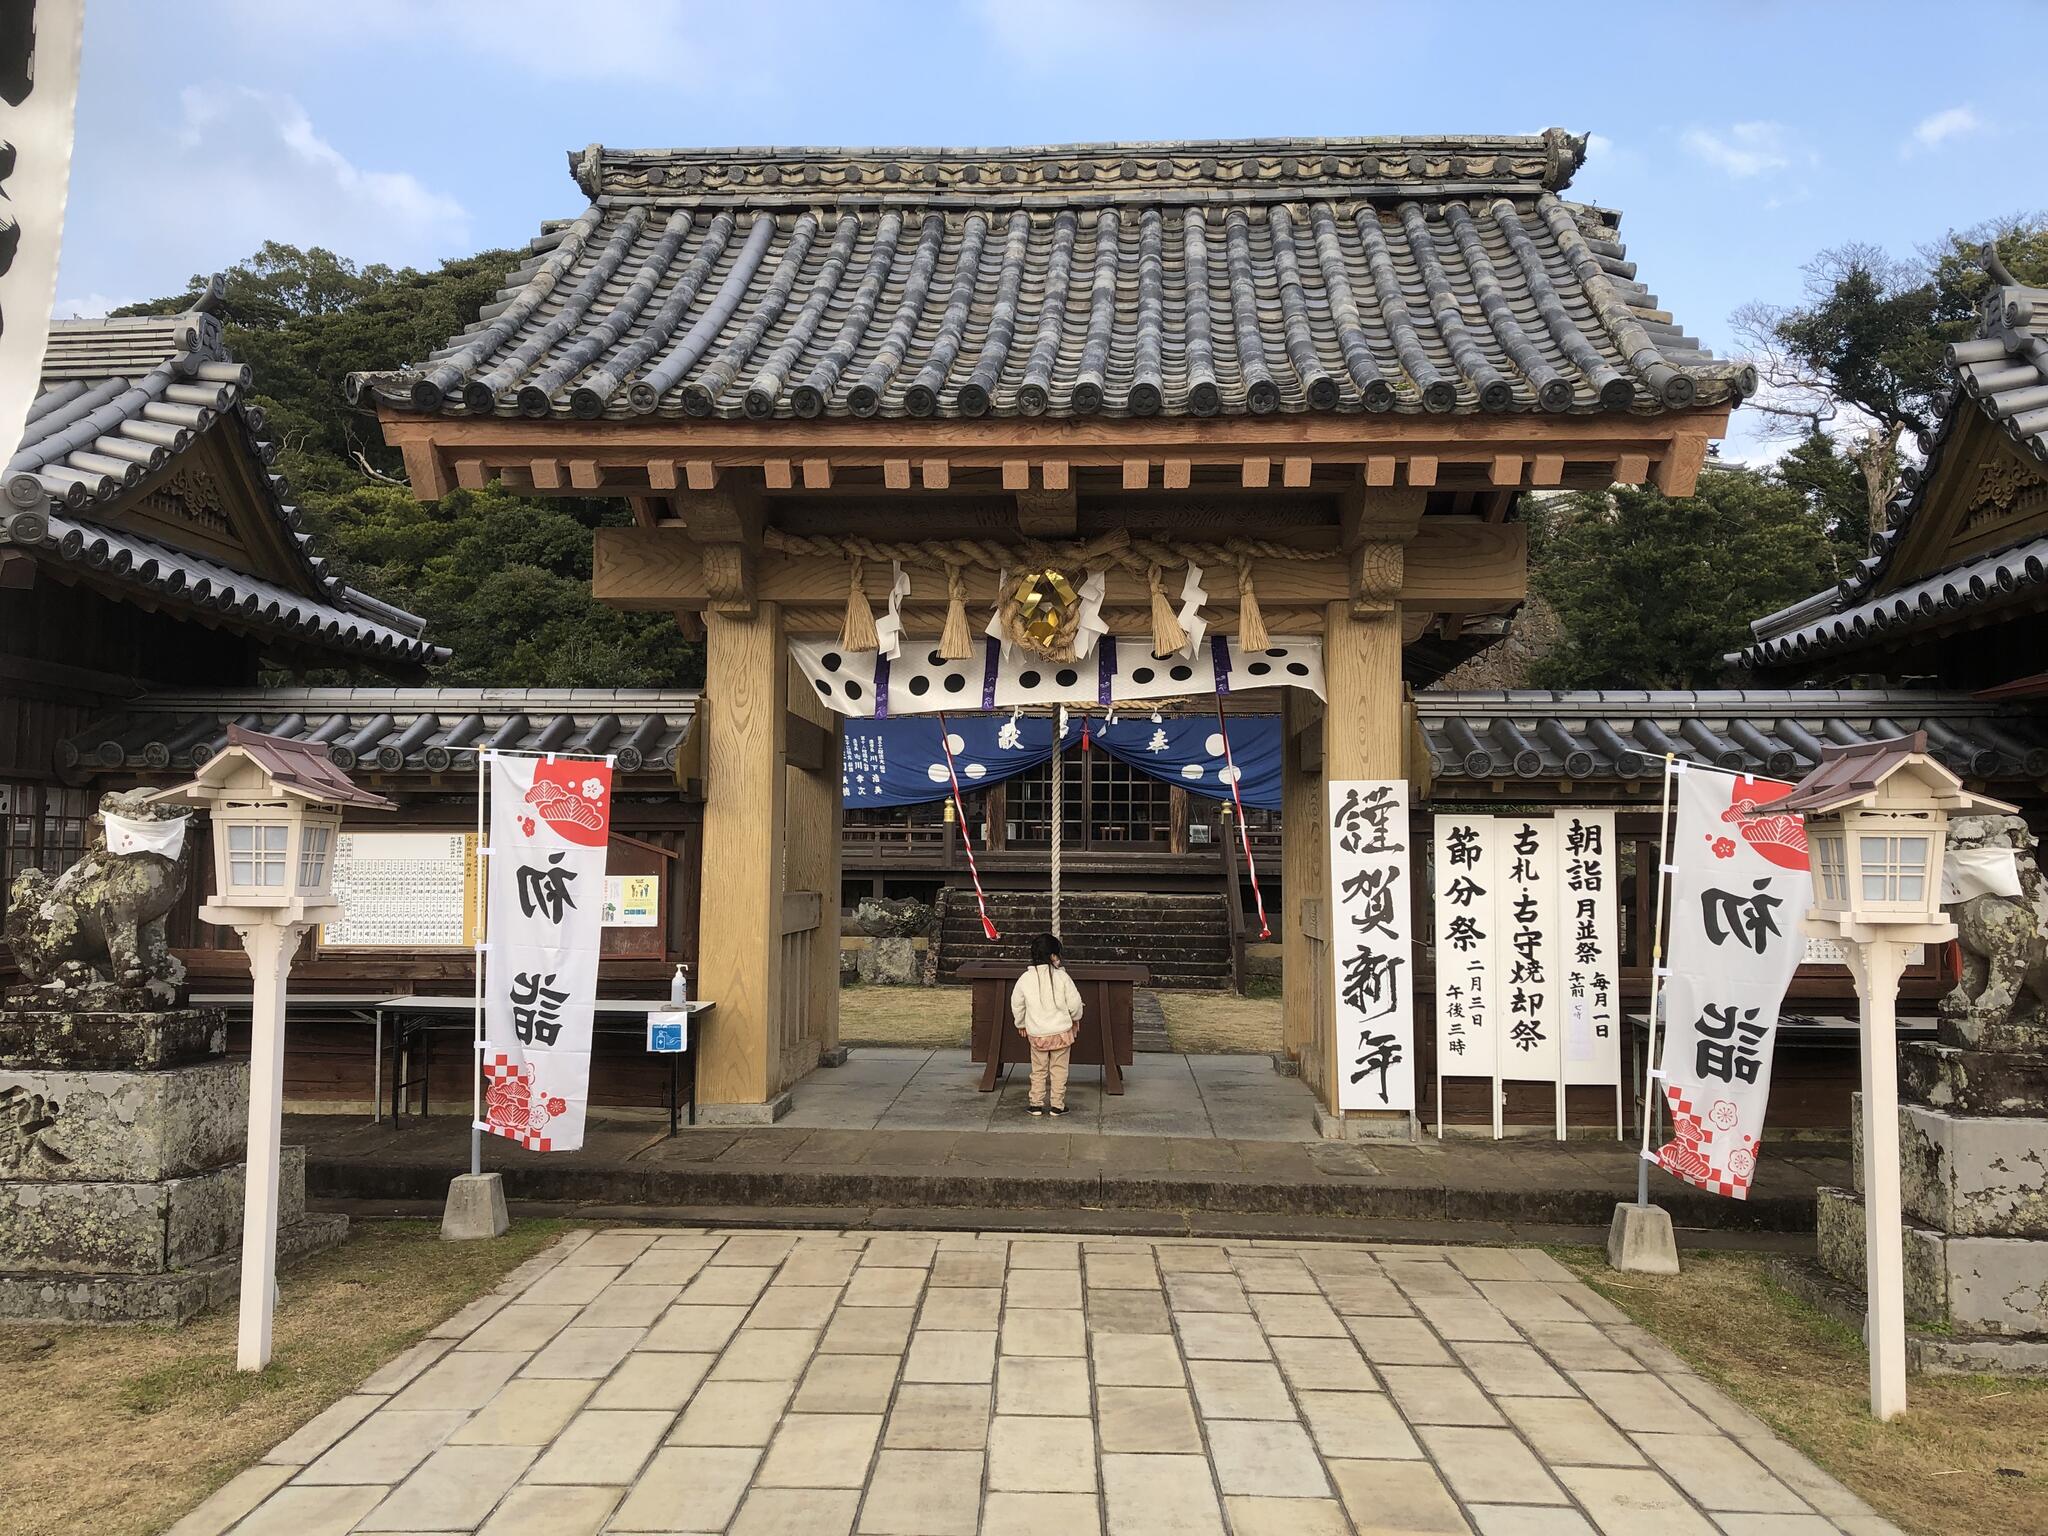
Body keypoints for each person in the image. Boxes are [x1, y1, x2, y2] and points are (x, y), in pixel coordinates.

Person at [1010, 932, 1084, 1115]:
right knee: (1059, 1070)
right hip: (1061, 1032)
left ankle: (1036, 1103)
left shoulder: (1025, 978)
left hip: (1037, 1034)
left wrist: (1020, 1024)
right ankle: (1057, 1105)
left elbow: (1017, 1003)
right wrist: (1075, 1018)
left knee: (1038, 1070)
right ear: (1053, 956)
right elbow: (1075, 1003)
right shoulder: (1062, 977)